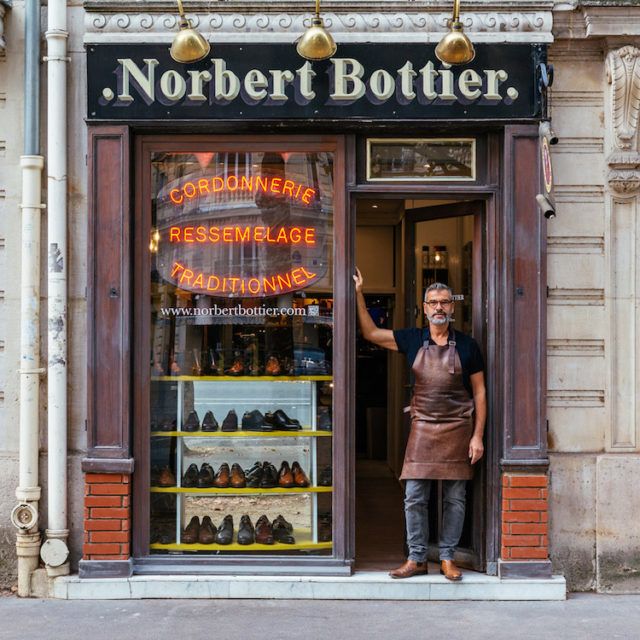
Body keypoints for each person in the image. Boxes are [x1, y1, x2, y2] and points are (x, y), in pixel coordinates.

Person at [353, 267, 486, 581]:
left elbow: (480, 392)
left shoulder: (467, 346)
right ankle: (416, 558)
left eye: (444, 302)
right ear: (425, 308)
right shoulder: (412, 339)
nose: (439, 307)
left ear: (452, 307)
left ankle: (448, 558)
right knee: (414, 496)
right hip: (423, 427)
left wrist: (477, 436)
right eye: (433, 302)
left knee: (455, 498)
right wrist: (359, 295)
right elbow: (371, 333)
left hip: (458, 428)